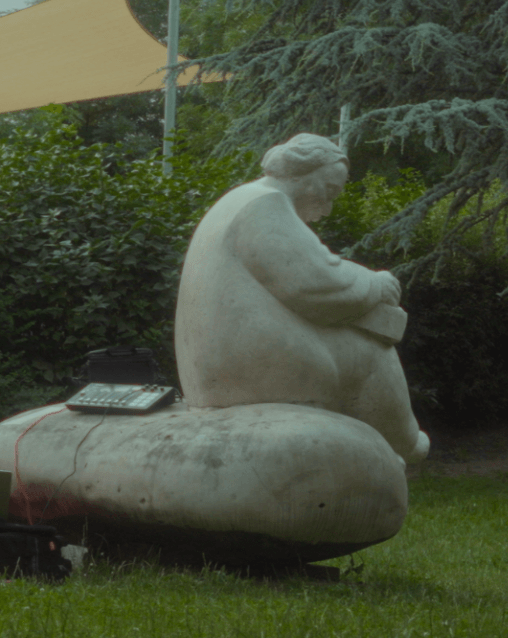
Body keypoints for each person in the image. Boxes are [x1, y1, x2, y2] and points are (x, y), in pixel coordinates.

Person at [174, 133, 430, 463]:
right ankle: (404, 445)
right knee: (368, 352)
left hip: (222, 366)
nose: (328, 205)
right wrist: (376, 284)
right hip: (246, 366)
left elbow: (310, 270)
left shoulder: (242, 197)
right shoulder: (266, 204)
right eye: (329, 190)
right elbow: (318, 286)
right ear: (303, 175)